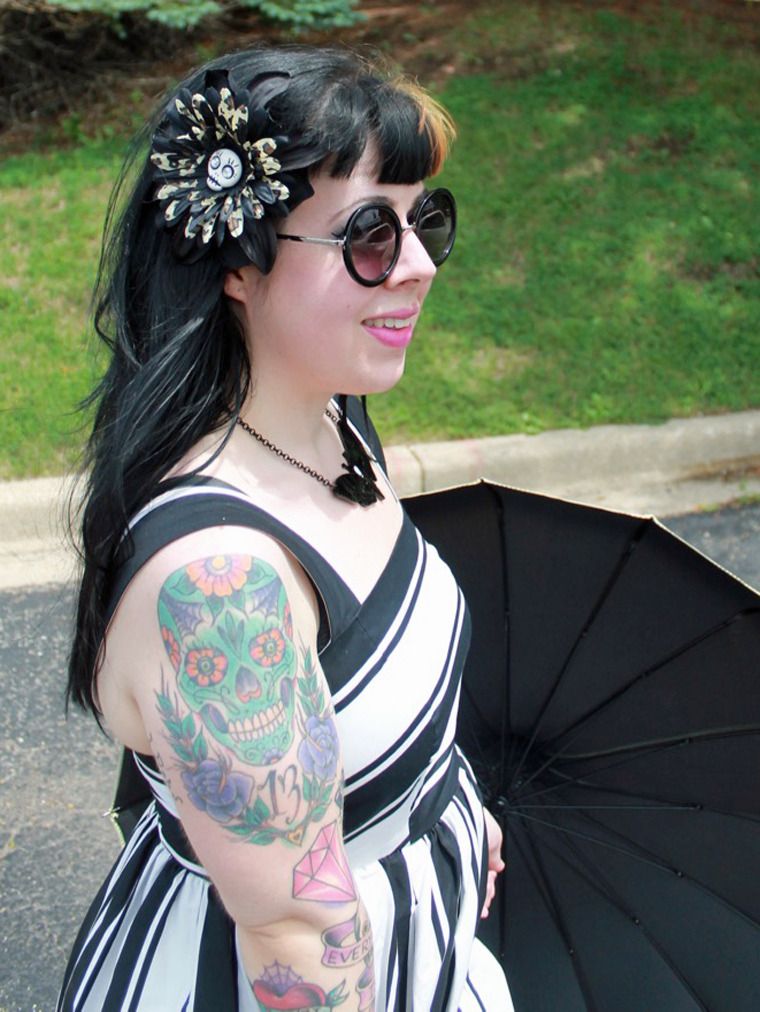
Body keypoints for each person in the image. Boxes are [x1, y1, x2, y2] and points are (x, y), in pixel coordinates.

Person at [58, 43, 513, 1011]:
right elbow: (296, 936)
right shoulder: (221, 585)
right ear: (239, 261)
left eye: (426, 220)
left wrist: (443, 805)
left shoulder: (328, 422)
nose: (418, 266)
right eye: (369, 234)